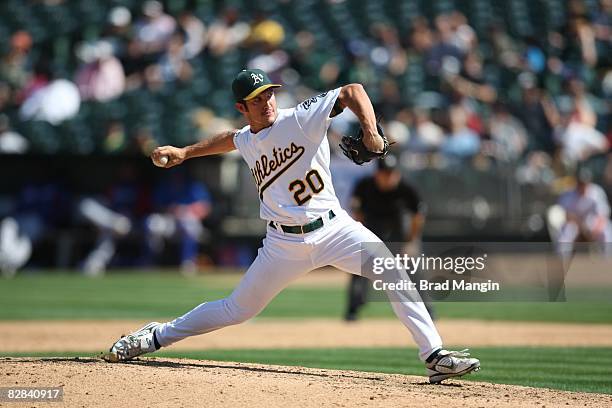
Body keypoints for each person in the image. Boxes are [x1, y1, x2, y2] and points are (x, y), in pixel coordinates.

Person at [104, 69, 480, 384]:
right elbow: (231, 140)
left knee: (393, 272)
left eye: (268, 93)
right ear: (241, 107)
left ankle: (434, 355)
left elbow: (353, 91)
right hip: (282, 246)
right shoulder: (248, 138)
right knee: (237, 310)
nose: (266, 101)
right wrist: (185, 152)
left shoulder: (300, 118)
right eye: (256, 98)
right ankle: (155, 336)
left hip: (335, 231)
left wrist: (371, 132)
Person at [344, 154, 429, 321]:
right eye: (385, 173)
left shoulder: (406, 188)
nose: (389, 177)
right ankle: (352, 310)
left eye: (392, 173)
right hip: (372, 233)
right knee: (358, 268)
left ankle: (427, 308)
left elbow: (418, 216)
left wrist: (411, 241)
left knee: (413, 268)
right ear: (377, 174)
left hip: (398, 236)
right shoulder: (365, 186)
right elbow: (357, 212)